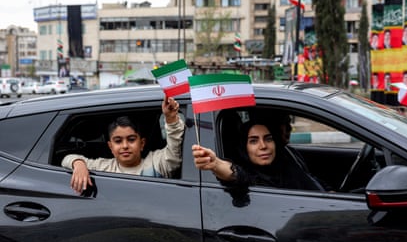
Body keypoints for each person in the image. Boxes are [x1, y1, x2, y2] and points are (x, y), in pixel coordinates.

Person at [62, 96, 184, 194]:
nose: (125, 146)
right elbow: (66, 159)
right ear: (110, 147)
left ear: (142, 143)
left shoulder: (157, 162)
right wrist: (78, 164)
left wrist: (171, 119)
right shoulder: (105, 167)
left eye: (131, 140)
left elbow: (174, 147)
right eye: (118, 141)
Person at [192, 120, 325, 191]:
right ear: (244, 148)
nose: (263, 146)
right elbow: (236, 174)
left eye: (268, 139)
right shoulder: (249, 175)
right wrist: (215, 164)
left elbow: (310, 183)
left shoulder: (287, 163)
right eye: (253, 141)